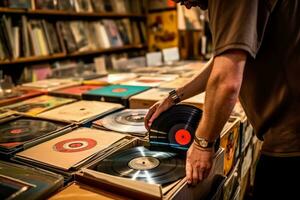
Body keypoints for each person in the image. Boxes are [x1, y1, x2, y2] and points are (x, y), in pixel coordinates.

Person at [144, 0, 300, 199]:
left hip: (291, 142)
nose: (184, 5)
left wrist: (202, 143)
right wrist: (174, 97)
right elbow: (221, 61)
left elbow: (226, 80)